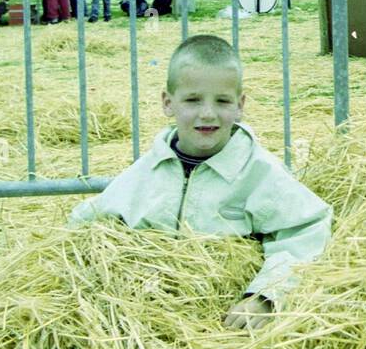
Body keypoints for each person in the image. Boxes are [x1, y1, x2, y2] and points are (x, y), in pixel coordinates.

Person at [68, 35, 332, 330]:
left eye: (222, 101)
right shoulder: (147, 170)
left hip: (222, 325)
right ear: (168, 103)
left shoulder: (259, 173)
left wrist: (264, 296)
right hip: (145, 321)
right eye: (193, 100)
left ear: (240, 105)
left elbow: (306, 229)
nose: (207, 113)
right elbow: (89, 221)